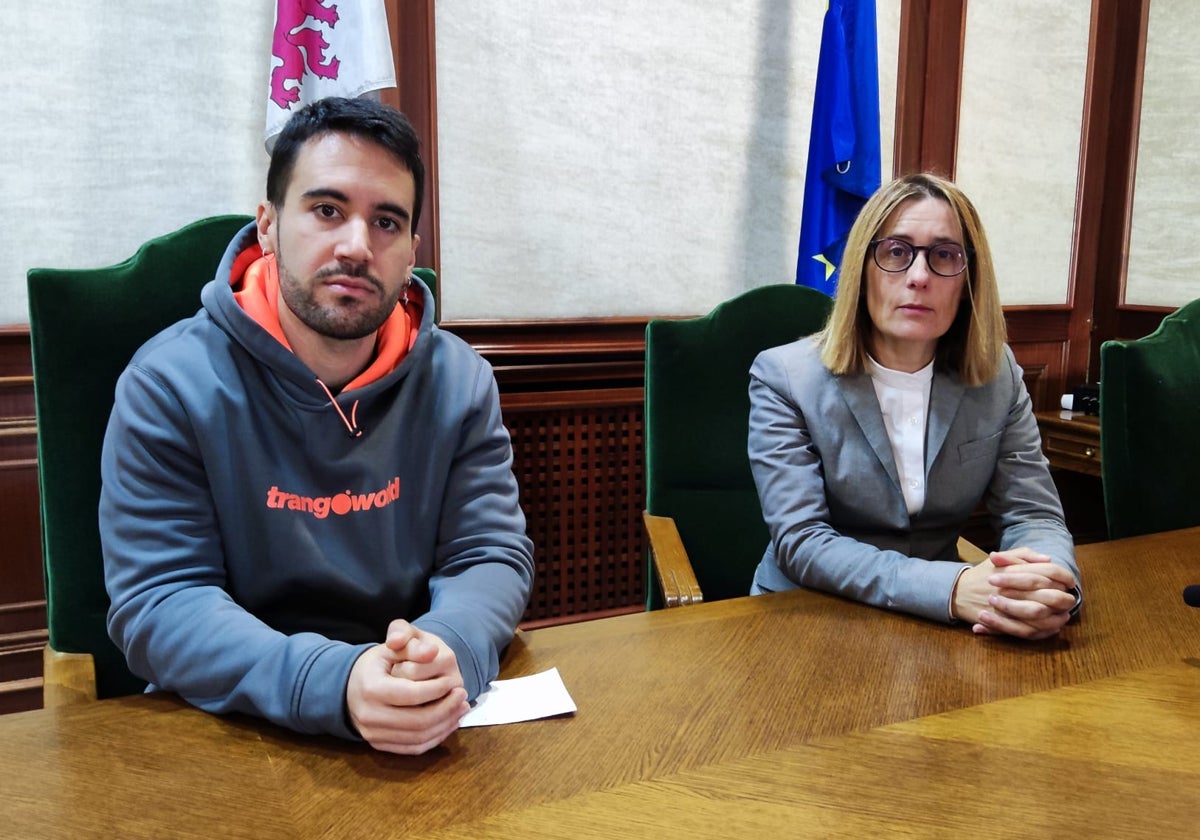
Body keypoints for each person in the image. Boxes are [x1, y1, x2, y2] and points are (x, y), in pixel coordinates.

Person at [100, 97, 534, 754]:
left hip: (420, 718)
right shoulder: (168, 383)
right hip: (234, 724)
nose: (357, 246)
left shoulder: (459, 379)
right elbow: (162, 600)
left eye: (387, 221)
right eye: (327, 210)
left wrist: (449, 651)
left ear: (413, 248)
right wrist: (337, 681)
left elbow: (488, 554)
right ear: (267, 225)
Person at [748, 172, 1079, 640]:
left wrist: (1051, 585)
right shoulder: (785, 377)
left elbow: (1034, 515)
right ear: (863, 268)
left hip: (936, 630)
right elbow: (802, 543)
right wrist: (952, 588)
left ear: (968, 280)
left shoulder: (996, 373)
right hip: (810, 618)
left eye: (945, 255)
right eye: (896, 253)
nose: (919, 277)